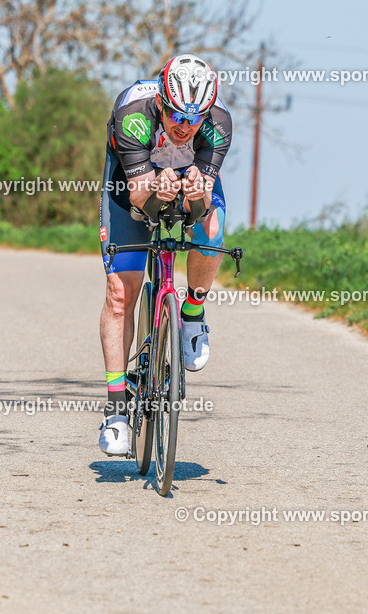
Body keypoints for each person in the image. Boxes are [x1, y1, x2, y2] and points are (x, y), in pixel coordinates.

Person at [97, 54, 232, 456]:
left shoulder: (219, 124)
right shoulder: (133, 116)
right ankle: (116, 409)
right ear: (161, 101)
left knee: (211, 233)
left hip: (184, 182)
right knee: (121, 294)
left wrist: (198, 196)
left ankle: (192, 313)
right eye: (176, 115)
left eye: (194, 119)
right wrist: (159, 185)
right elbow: (140, 199)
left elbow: (203, 203)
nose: (184, 126)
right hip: (131, 184)